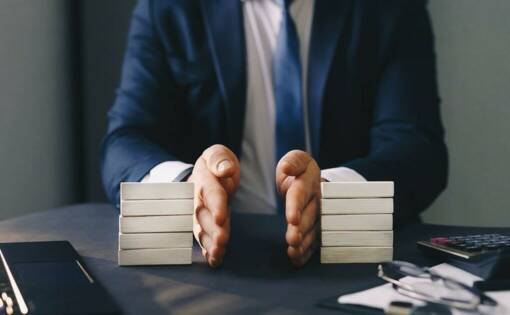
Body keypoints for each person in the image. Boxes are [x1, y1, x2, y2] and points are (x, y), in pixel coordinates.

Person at [101, 0, 448, 268]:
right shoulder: (168, 7)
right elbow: (126, 141)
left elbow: (417, 147)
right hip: (215, 259)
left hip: (346, 258)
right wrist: (189, 186)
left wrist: (335, 194)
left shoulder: (390, 8)